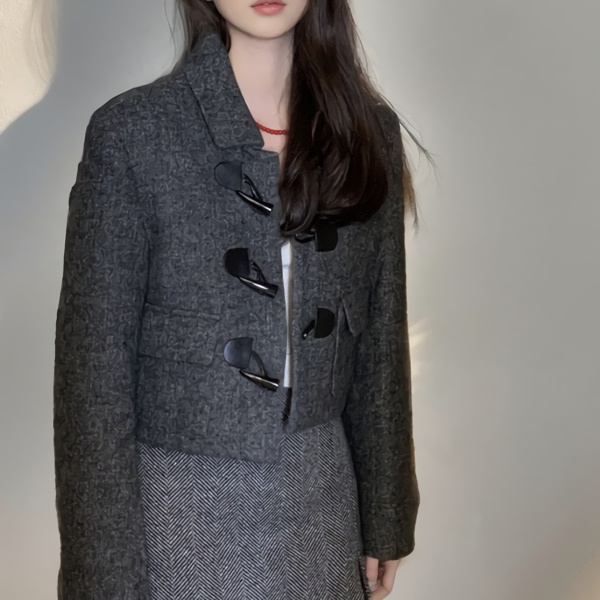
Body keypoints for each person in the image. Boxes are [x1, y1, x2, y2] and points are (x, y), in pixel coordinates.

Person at [53, 0, 426, 598]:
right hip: (177, 512)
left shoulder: (367, 134)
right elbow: (92, 381)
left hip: (322, 502)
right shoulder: (132, 133)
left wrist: (385, 512)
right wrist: (103, 577)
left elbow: (381, 337)